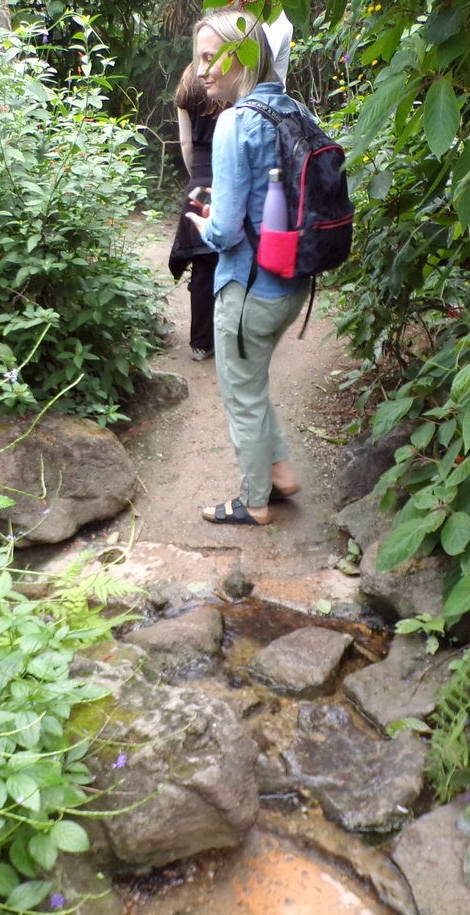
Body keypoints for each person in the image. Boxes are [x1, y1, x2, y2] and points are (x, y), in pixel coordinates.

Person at [185, 10, 307, 527]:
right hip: (294, 281)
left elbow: (229, 231)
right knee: (252, 384)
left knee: (240, 394)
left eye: (211, 57)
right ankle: (279, 473)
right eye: (199, 58)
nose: (202, 71)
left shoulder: (237, 120)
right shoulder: (291, 108)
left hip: (249, 285)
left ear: (245, 56)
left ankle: (254, 502)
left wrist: (201, 225)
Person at [168, 63, 225, 363]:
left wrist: (197, 180)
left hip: (200, 178)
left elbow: (186, 144)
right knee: (235, 259)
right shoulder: (230, 75)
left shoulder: (189, 81)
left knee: (203, 267)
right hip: (231, 175)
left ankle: (201, 343)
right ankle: (236, 339)